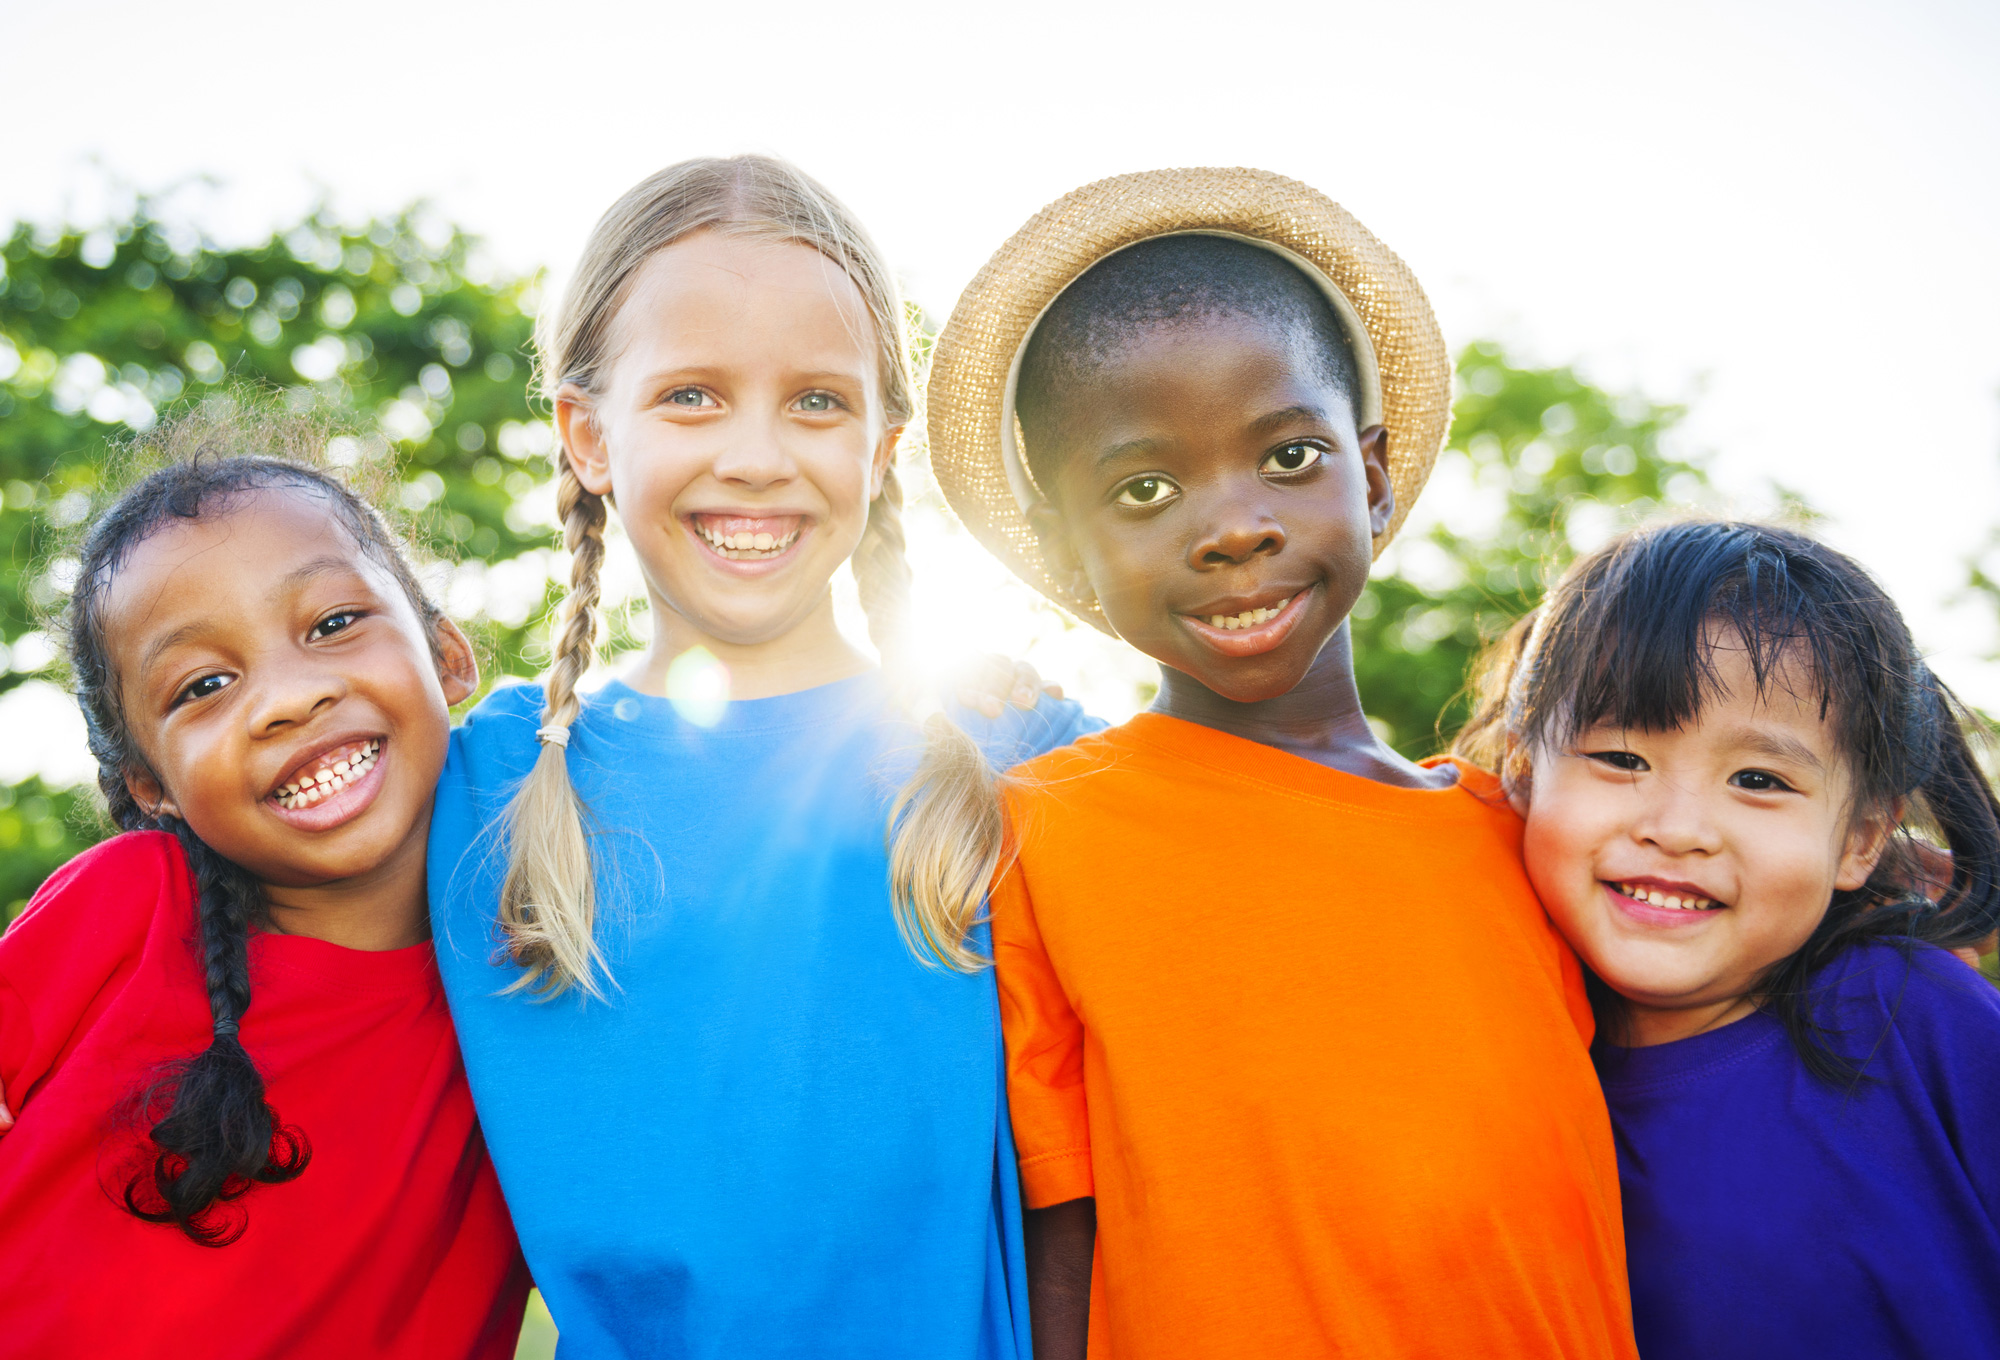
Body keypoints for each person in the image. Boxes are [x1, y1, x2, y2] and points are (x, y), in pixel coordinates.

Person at [925, 168, 1637, 1358]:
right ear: (1065, 551)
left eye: (1288, 458)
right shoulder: (1042, 833)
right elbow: (1064, 1225)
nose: (1233, 525)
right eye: (1143, 487)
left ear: (1371, 470)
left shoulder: (1521, 831)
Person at [427, 155, 1098, 1359]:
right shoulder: (477, 782)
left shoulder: (1020, 763)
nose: (754, 453)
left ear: (881, 448)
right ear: (586, 435)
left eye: (815, 402)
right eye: (690, 395)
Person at [0, 407, 529, 1358]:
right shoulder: (129, 906)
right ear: (149, 783)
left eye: (332, 623)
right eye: (203, 686)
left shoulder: (541, 981)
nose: (288, 699)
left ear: (449, 656)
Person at [1454, 518, 2000, 1359]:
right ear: (1524, 773)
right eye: (1620, 757)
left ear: (1858, 839)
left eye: (1758, 779)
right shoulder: (1501, 1061)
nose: (1678, 830)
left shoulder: (1916, 1017)